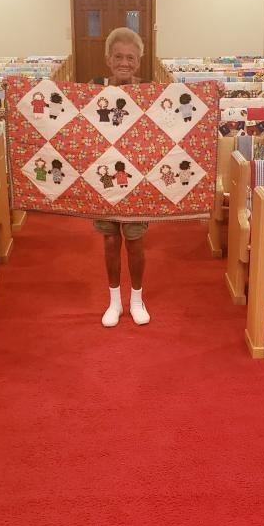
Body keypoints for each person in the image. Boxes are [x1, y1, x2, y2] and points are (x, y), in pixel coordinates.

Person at [91, 27, 149, 327]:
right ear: (108, 60)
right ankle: (114, 302)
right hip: (104, 179)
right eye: (118, 56)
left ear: (138, 61)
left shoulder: (149, 92)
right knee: (111, 240)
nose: (124, 62)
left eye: (130, 57)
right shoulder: (92, 90)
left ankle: (137, 300)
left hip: (136, 179)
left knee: (135, 241)